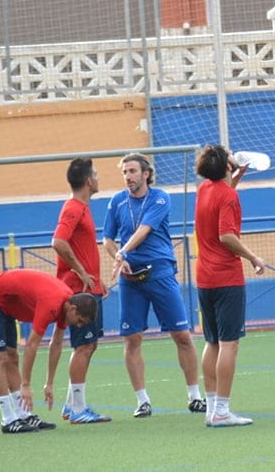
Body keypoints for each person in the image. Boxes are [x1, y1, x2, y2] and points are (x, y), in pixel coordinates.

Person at [103, 152, 206, 417]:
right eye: (125, 172)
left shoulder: (160, 197)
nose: (128, 177)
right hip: (130, 279)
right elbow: (107, 239)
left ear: (146, 173)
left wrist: (122, 252)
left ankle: (195, 396)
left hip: (160, 273)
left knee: (182, 335)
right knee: (131, 338)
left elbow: (144, 230)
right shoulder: (116, 202)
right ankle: (142, 401)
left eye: (133, 171)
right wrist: (117, 255)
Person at [0, 268, 96, 434]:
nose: (78, 325)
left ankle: (23, 415)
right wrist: (26, 384)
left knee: (12, 357)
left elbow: (57, 344)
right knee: (0, 359)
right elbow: (31, 345)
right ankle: (8, 419)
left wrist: (49, 384)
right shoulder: (51, 303)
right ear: (73, 309)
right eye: (80, 321)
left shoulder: (66, 305)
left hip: (6, 307)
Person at [194, 144, 266, 427]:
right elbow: (226, 235)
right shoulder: (228, 197)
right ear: (225, 165)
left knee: (211, 342)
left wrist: (237, 175)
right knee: (229, 344)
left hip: (204, 278)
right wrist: (252, 257)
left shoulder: (205, 190)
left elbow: (222, 195)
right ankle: (222, 410)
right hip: (226, 277)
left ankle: (213, 407)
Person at [48, 157, 113, 424]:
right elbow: (59, 242)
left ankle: (71, 404)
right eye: (95, 174)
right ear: (88, 180)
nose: (98, 178)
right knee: (83, 345)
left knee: (90, 344)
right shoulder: (73, 208)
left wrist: (96, 279)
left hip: (89, 287)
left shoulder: (83, 208)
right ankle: (78, 409)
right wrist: (82, 272)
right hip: (78, 291)